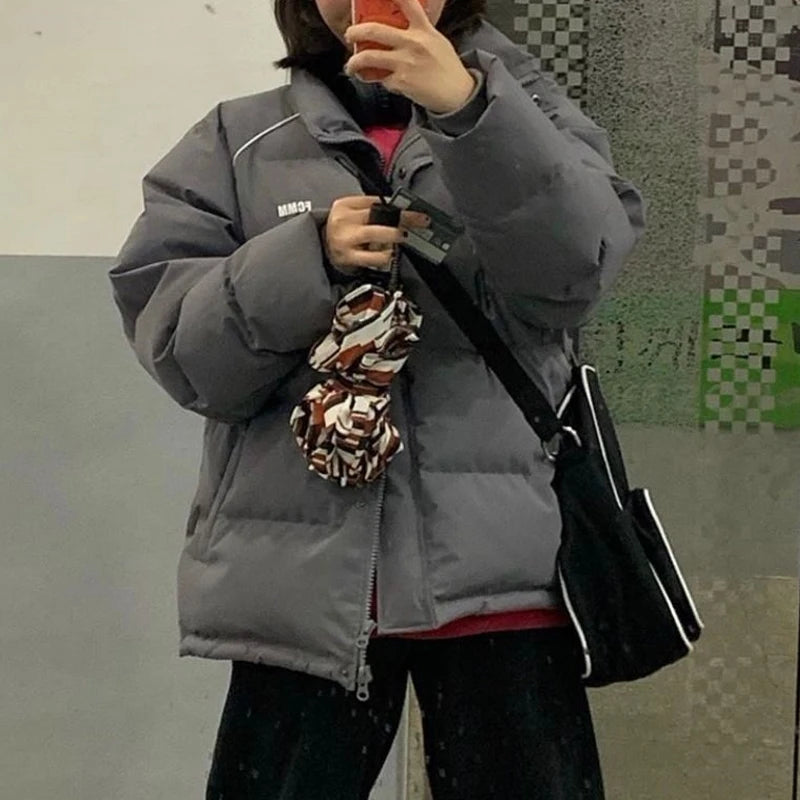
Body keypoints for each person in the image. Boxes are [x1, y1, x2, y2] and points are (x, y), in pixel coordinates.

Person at [108, 0, 646, 796]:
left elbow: (574, 275)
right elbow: (187, 358)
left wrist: (469, 110)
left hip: (498, 576)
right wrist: (306, 259)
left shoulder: (533, 115)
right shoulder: (237, 141)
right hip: (303, 596)